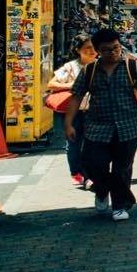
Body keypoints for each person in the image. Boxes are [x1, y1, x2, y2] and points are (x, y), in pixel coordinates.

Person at [66, 28, 137, 221]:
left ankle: (120, 205)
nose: (113, 53)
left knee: (122, 167)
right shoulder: (90, 70)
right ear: (97, 50)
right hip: (97, 127)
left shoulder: (134, 66)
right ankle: (102, 190)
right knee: (94, 164)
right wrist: (68, 123)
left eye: (116, 48)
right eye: (107, 50)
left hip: (127, 125)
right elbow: (76, 96)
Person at [48, 34, 96, 187]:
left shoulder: (101, 65)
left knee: (92, 144)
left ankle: (89, 175)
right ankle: (76, 173)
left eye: (93, 47)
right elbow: (52, 84)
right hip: (75, 112)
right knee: (74, 144)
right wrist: (73, 86)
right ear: (78, 50)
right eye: (88, 48)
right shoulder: (70, 67)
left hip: (95, 111)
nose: (92, 51)